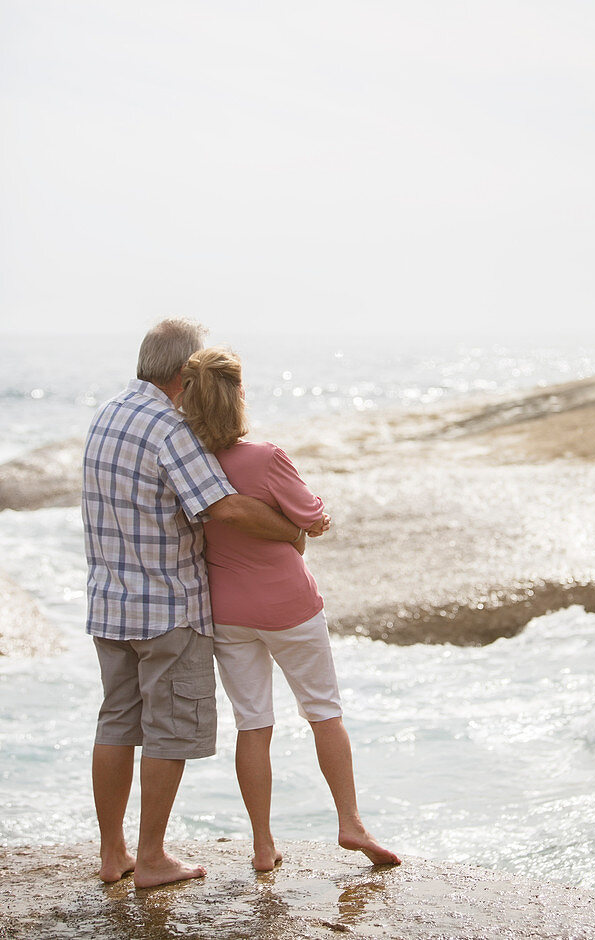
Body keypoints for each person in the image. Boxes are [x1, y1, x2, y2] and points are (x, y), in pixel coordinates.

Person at [82, 318, 328, 889]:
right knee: (168, 733)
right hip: (167, 609)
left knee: (116, 724)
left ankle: (111, 852)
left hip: (109, 605)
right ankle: (150, 858)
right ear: (182, 373)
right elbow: (227, 507)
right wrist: (294, 532)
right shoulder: (170, 427)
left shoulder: (107, 414)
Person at [179, 346, 400, 871]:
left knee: (253, 724)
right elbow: (312, 514)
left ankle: (262, 844)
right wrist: (304, 523)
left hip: (228, 612)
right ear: (237, 396)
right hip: (289, 605)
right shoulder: (265, 456)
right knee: (323, 711)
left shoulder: (188, 464)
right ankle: (350, 823)